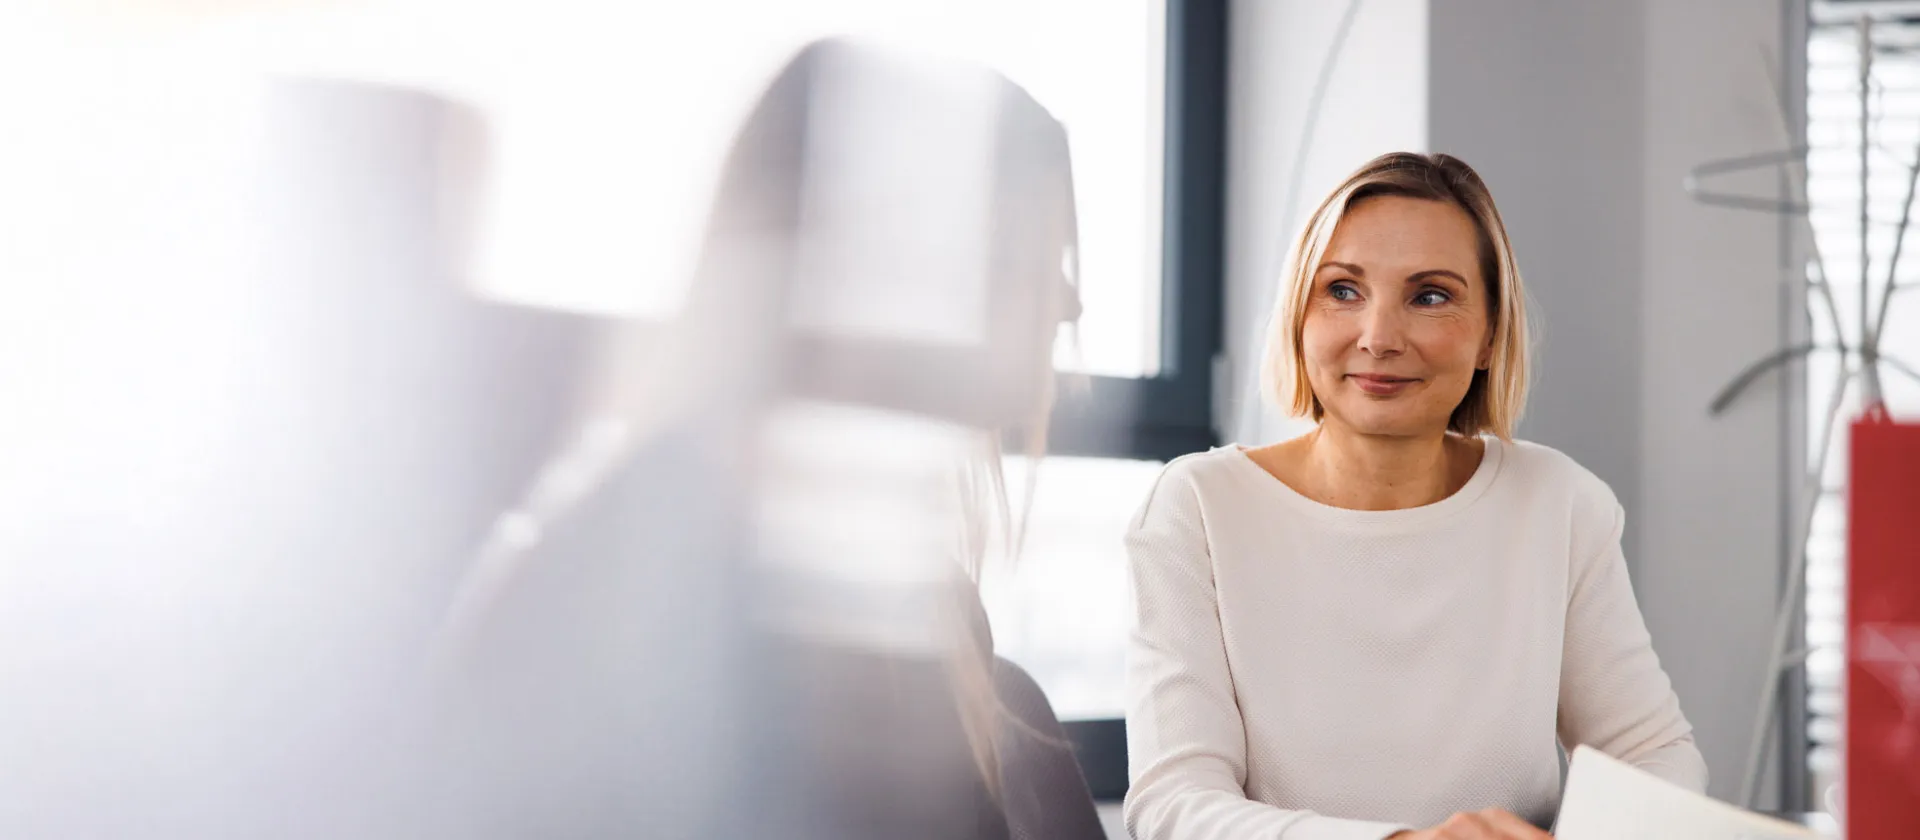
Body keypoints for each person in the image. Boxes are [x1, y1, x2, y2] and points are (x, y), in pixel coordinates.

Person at [1122, 152, 1706, 840]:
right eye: (1342, 290)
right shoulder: (1196, 507)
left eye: (1430, 296)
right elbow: (1175, 804)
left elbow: (1654, 753)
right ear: (1299, 316)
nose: (1379, 338)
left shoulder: (1561, 503)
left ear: (1490, 333)